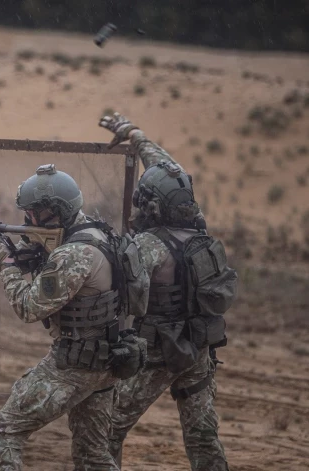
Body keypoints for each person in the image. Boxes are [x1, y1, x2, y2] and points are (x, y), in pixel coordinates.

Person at [0, 164, 145, 470]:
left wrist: (12, 268)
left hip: (75, 365)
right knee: (92, 455)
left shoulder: (73, 254)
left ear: (53, 212)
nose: (27, 219)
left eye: (32, 213)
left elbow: (28, 306)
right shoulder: (94, 232)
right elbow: (27, 258)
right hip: (106, 361)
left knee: (1, 434)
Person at [99, 112, 235, 471]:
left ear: (152, 205)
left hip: (158, 354)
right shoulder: (198, 227)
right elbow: (166, 166)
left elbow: (122, 292)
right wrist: (135, 135)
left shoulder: (147, 246)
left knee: (106, 431)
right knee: (203, 437)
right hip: (199, 348)